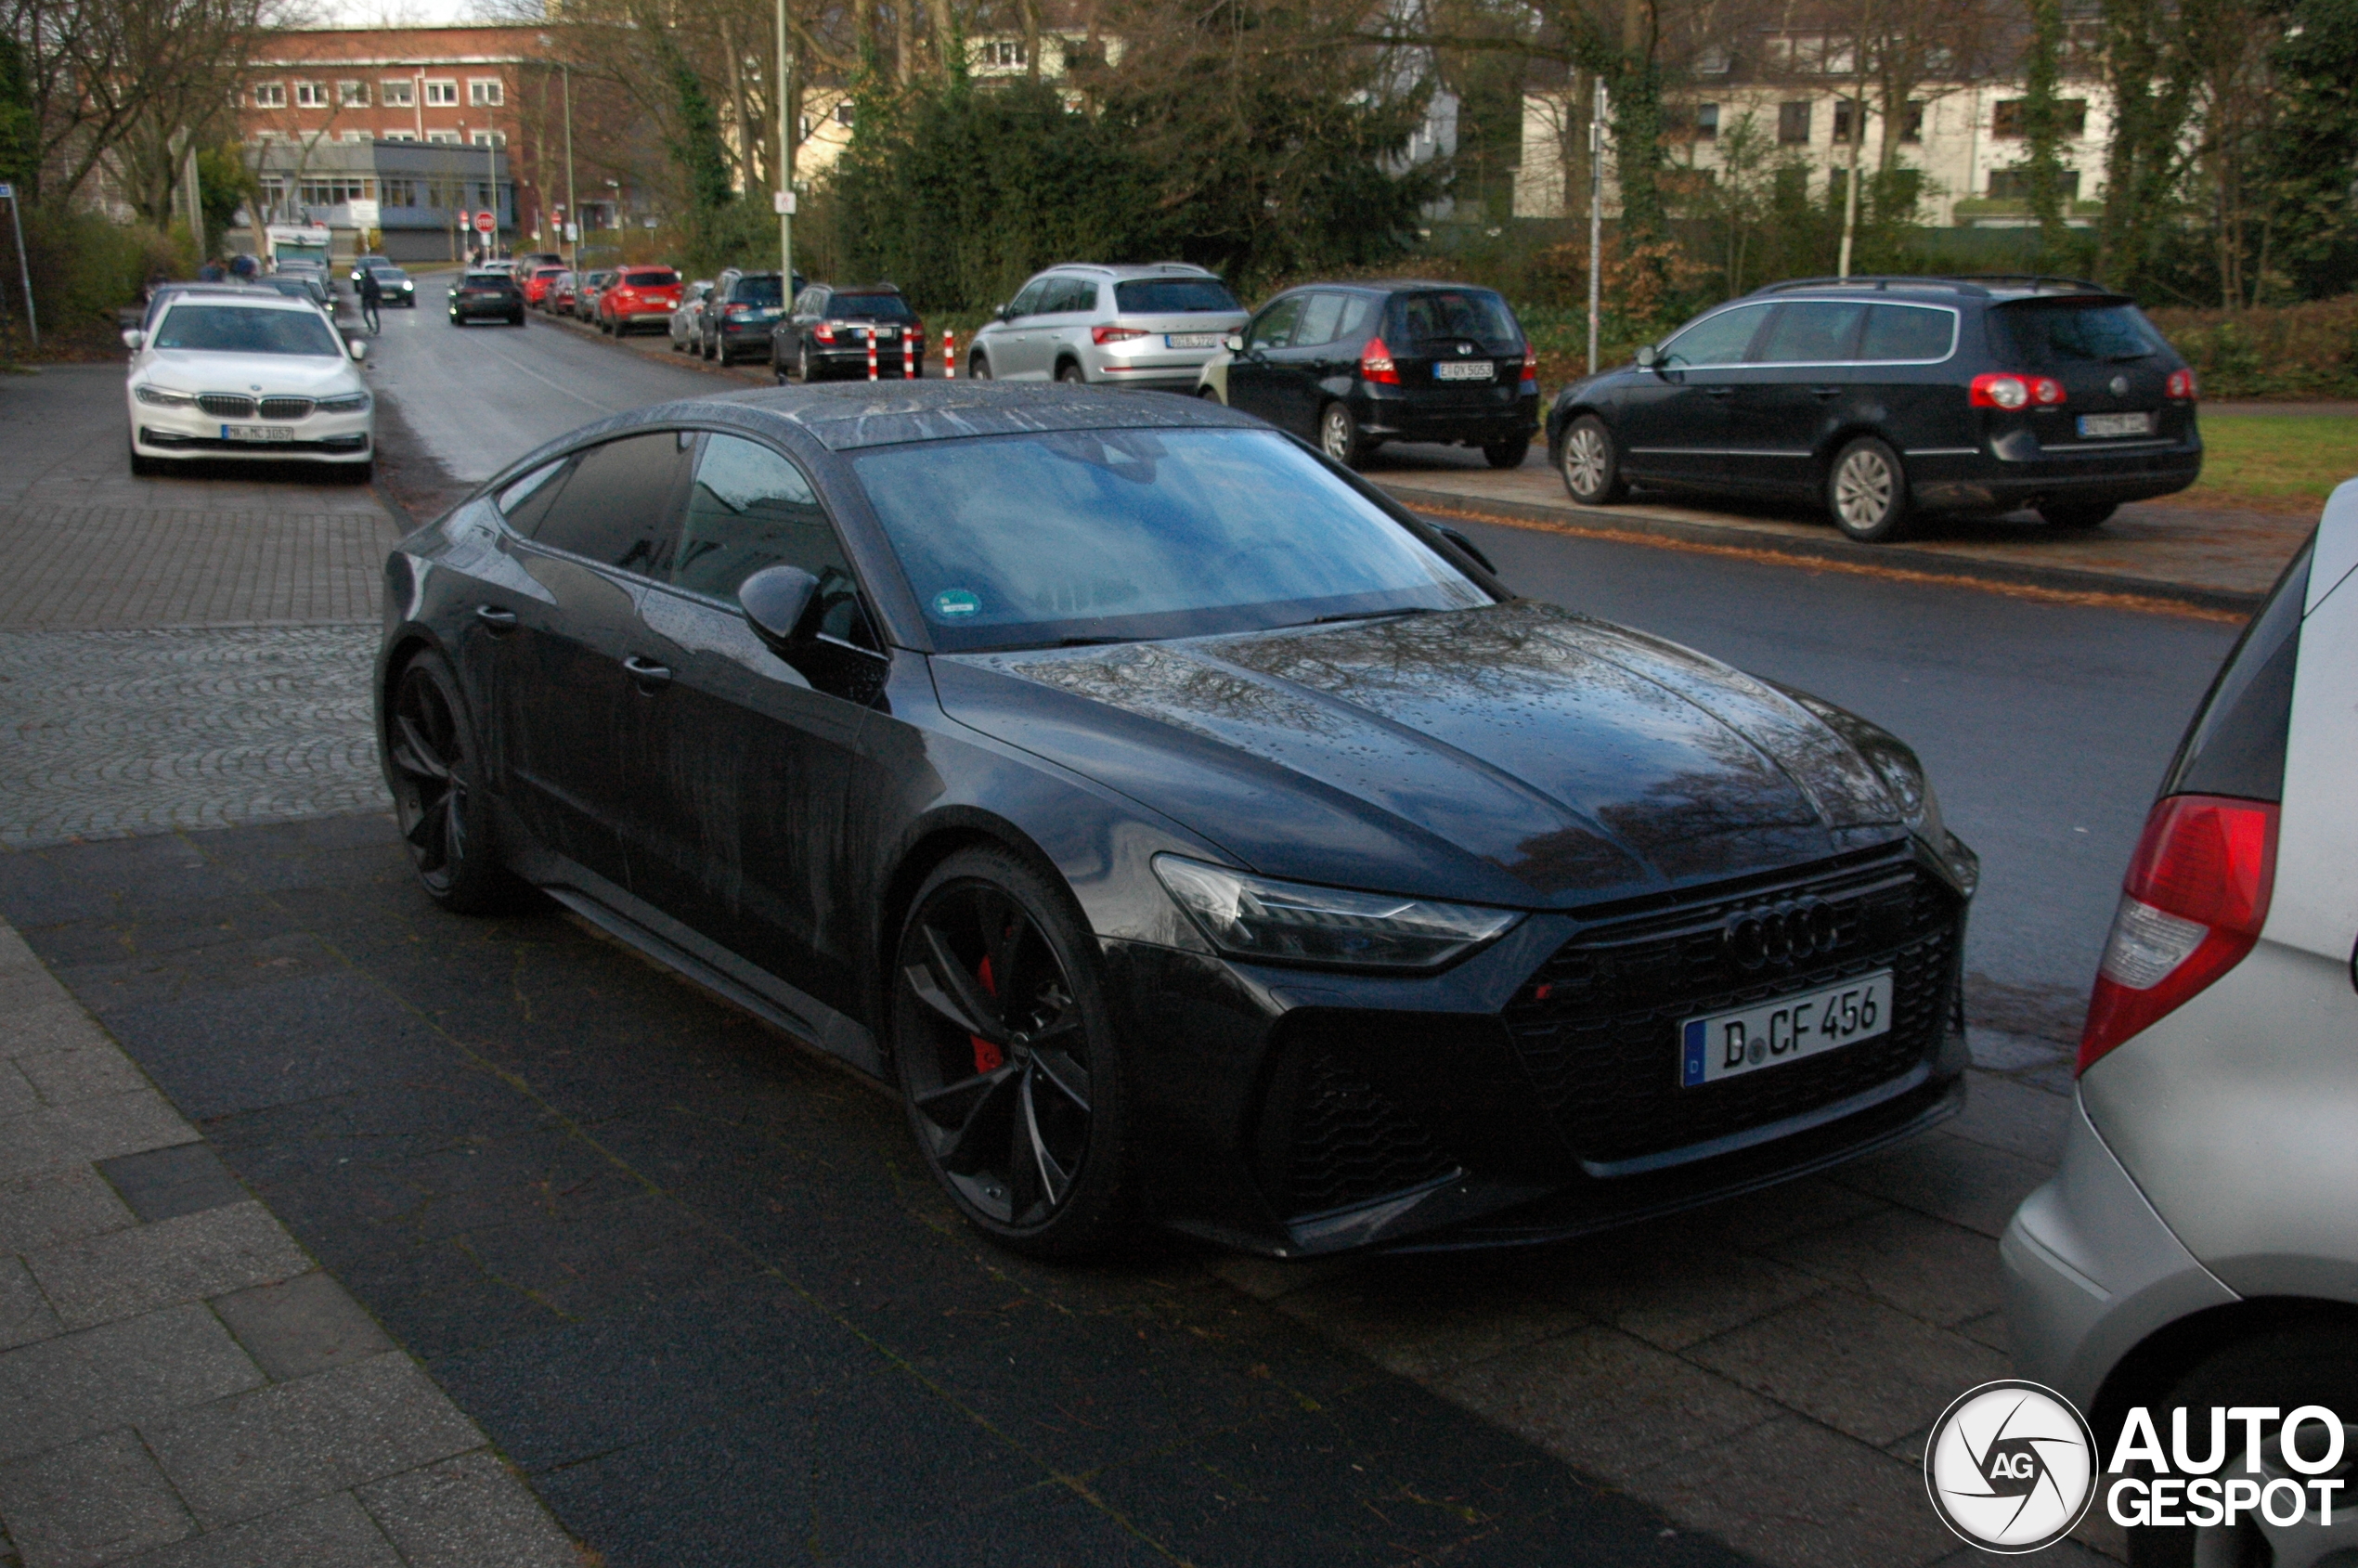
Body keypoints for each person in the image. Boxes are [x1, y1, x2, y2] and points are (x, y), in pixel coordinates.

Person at [356, 264, 383, 335]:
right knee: (375, 314)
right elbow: (377, 290)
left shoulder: (365, 281)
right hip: (372, 299)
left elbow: (364, 291)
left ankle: (371, 327)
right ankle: (377, 328)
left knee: (366, 314)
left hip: (368, 299)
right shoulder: (373, 280)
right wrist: (378, 299)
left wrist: (363, 300)